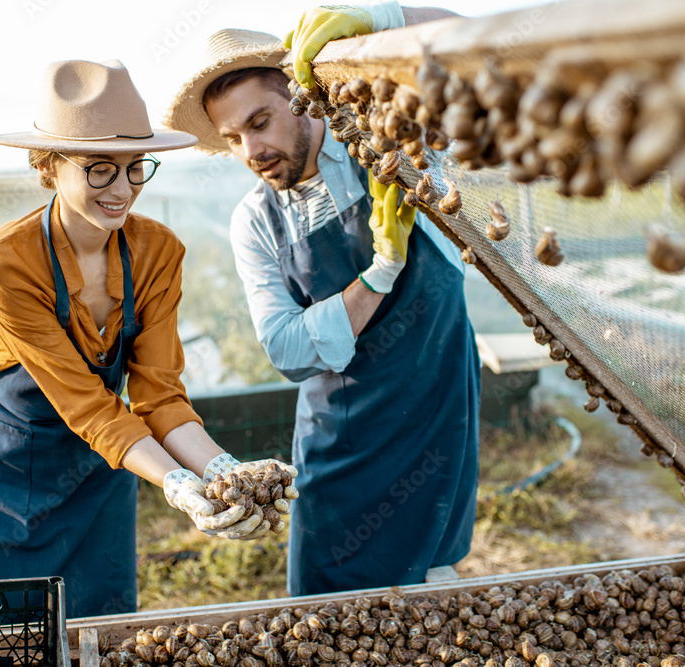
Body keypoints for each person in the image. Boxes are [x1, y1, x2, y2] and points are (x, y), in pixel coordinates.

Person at [0, 59, 296, 619]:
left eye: (136, 168)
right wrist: (178, 482)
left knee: (99, 627)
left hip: (107, 468)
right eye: (99, 170)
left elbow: (158, 396)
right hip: (15, 470)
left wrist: (223, 472)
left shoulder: (159, 252)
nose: (122, 190)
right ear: (49, 166)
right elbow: (85, 405)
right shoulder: (8, 263)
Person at [165, 2, 479, 597]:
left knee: (433, 589)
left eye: (261, 121)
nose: (252, 150)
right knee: (326, 596)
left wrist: (379, 17)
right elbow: (288, 349)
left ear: (299, 96)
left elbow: (469, 43)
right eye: (233, 138)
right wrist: (380, 274)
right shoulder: (255, 221)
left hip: (437, 407)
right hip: (340, 431)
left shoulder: (387, 144)